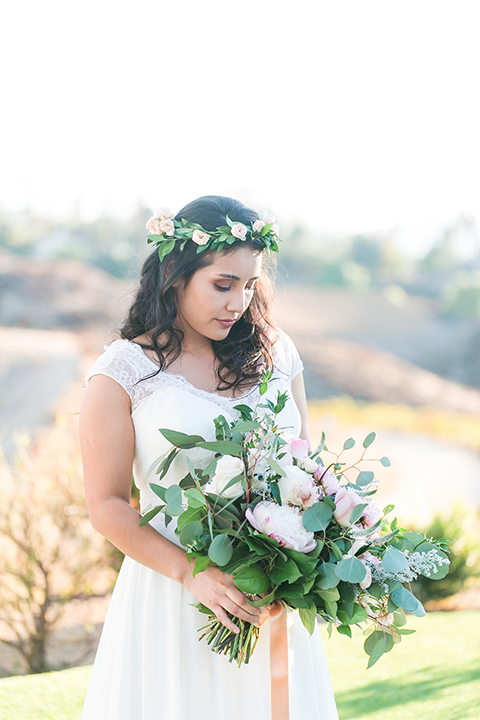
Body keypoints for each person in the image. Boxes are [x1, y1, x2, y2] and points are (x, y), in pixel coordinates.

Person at [79, 196, 339, 720]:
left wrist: (308, 548)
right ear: (175, 275)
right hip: (175, 594)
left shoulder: (276, 352)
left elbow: (303, 465)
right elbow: (106, 505)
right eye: (223, 285)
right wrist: (191, 574)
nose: (238, 302)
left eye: (249, 285)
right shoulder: (123, 372)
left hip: (271, 593)